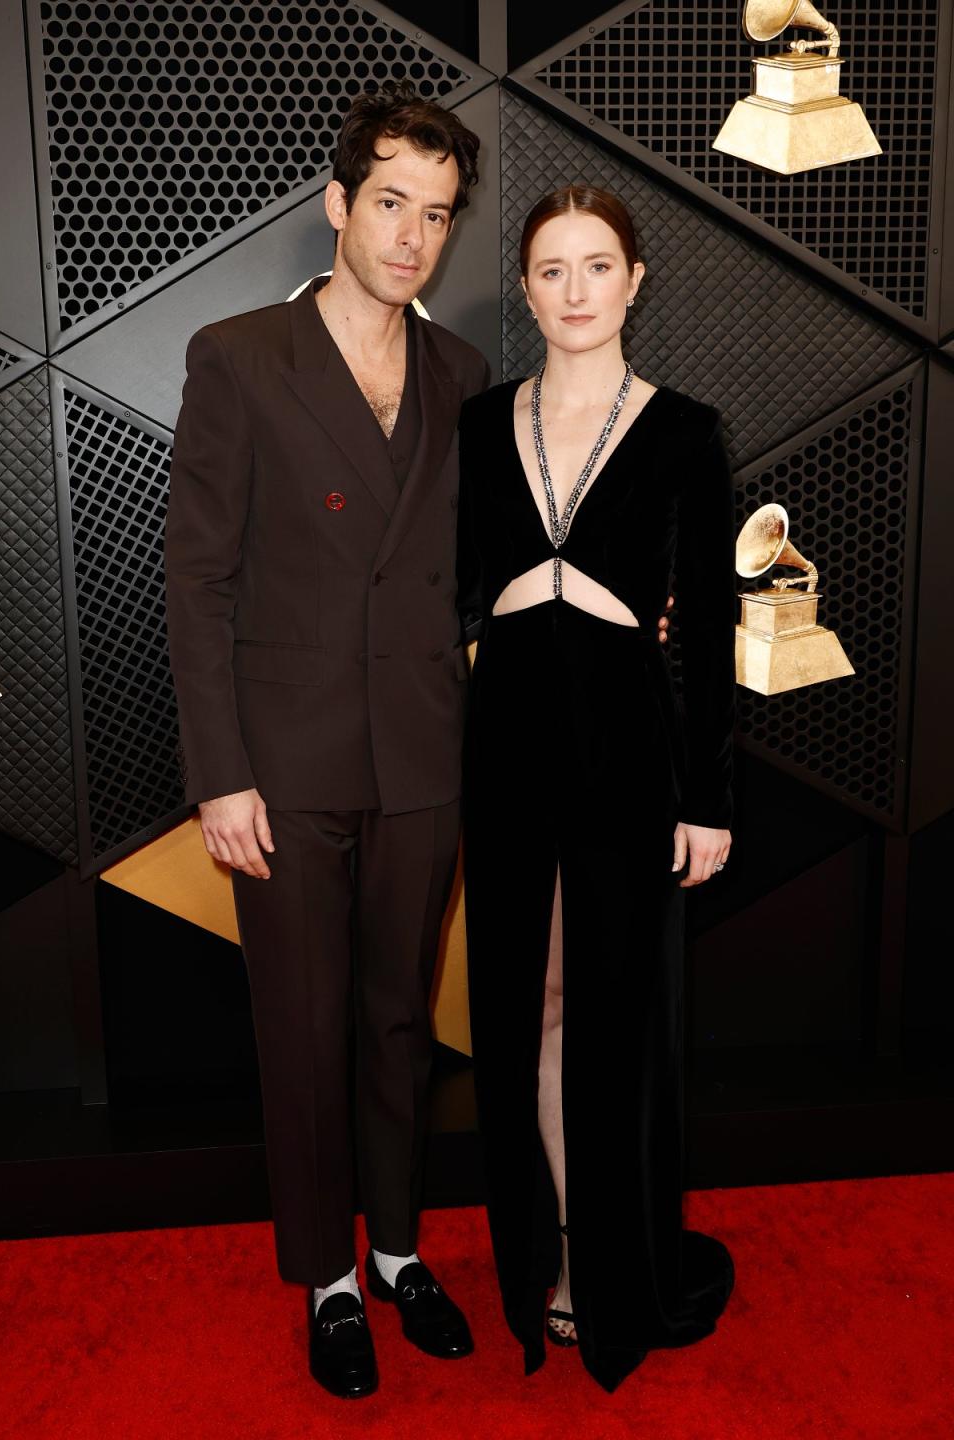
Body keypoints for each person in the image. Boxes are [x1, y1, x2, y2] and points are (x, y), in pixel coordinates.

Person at [164, 82, 489, 1400]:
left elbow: (476, 573)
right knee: (303, 1029)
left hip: (422, 751)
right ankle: (331, 1280)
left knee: (399, 1021)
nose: (413, 236)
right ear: (339, 205)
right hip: (284, 766)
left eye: (439, 214)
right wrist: (220, 773)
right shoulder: (238, 355)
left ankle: (404, 1249)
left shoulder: (467, 374)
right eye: (392, 203)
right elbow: (198, 580)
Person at [456, 185, 737, 1393]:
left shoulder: (685, 431)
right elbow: (444, 587)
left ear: (636, 281)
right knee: (530, 1007)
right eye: (551, 270)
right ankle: (557, 1256)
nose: (574, 290)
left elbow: (711, 628)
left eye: (597, 266)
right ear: (524, 288)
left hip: (628, 749)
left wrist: (708, 797)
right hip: (507, 741)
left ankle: (619, 1265)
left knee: (610, 1016)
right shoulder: (476, 424)